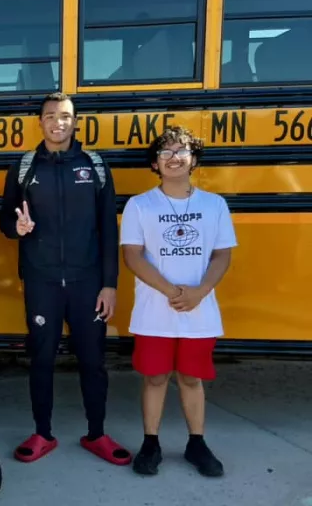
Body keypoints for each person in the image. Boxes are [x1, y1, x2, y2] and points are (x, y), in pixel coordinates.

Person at [0, 92, 130, 465]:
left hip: (88, 283)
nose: (58, 122)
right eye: (51, 116)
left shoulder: (95, 166)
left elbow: (108, 228)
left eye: (66, 116)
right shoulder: (24, 167)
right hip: (41, 282)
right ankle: (43, 433)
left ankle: (97, 434)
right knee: (41, 359)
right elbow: (5, 219)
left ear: (75, 122)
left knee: (93, 360)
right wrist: (17, 227)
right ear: (40, 122)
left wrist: (110, 284)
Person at [121, 126, 235, 478]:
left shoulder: (214, 204)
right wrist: (172, 291)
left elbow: (222, 255)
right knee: (155, 378)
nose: (173, 158)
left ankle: (196, 443)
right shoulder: (140, 205)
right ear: (155, 163)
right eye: (165, 152)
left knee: (190, 377)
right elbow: (133, 256)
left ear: (194, 159)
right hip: (155, 312)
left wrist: (199, 291)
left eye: (181, 151)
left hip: (199, 312)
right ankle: (150, 443)